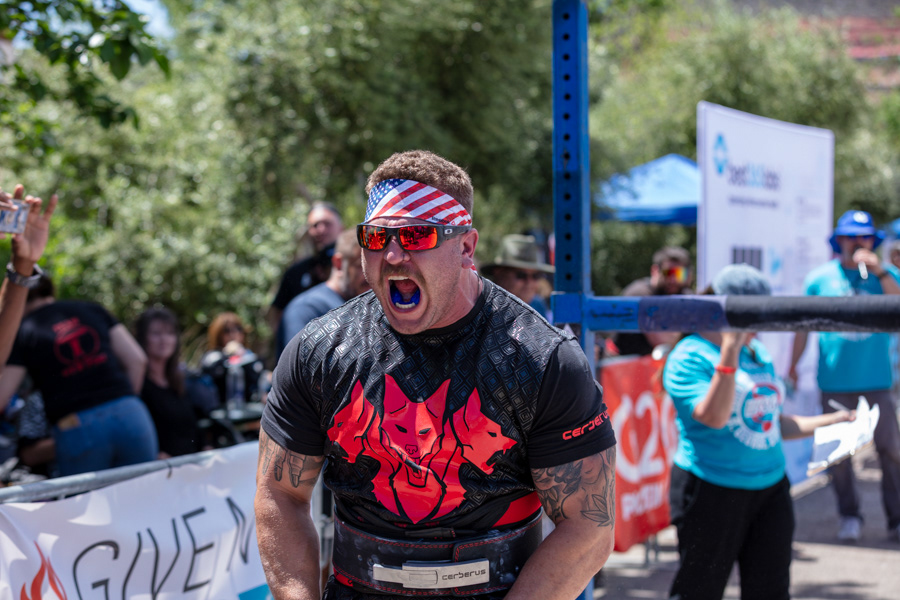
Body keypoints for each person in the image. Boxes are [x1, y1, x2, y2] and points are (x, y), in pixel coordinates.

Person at [255, 150, 617, 600]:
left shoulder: (542, 358)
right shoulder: (321, 351)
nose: (393, 254)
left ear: (466, 247)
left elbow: (588, 525)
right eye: (376, 237)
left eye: (416, 235)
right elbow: (280, 496)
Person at [664, 264, 854, 600]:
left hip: (770, 489)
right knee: (698, 592)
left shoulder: (756, 350)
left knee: (771, 592)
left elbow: (770, 424)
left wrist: (832, 422)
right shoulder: (689, 356)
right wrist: (729, 351)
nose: (761, 327)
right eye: (754, 317)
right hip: (711, 489)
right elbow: (714, 417)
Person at [788, 210, 900, 543]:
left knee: (891, 451)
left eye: (864, 237)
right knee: (838, 455)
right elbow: (802, 327)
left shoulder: (885, 275)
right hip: (835, 382)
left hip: (877, 381)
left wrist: (880, 272)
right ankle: (849, 515)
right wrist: (793, 365)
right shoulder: (819, 278)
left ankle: (896, 519)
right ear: (839, 241)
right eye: (850, 237)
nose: (857, 242)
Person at [0, 272, 157, 477]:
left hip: (78, 426)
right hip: (131, 413)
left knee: (89, 497)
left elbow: (2, 394)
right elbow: (137, 360)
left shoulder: (22, 331)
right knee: (144, 490)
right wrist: (123, 402)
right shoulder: (91, 309)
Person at [279, 228, 370, 356]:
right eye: (360, 266)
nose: (368, 275)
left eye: (372, 266)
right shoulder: (306, 309)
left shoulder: (367, 304)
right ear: (338, 263)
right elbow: (298, 363)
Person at [267, 202, 345, 346]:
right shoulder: (296, 272)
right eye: (315, 225)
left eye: (327, 223)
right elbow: (276, 312)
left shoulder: (355, 267)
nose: (320, 229)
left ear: (341, 228)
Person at [135, 307, 206, 458]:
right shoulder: (138, 384)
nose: (164, 340)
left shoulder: (180, 381)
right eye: (156, 333)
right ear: (143, 338)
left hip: (193, 464)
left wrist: (206, 446)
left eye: (169, 333)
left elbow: (192, 427)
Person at [610, 246, 693, 357]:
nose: (673, 280)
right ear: (655, 270)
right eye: (669, 273)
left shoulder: (683, 294)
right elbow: (662, 340)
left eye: (680, 274)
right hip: (623, 360)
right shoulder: (640, 294)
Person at [480, 234, 555, 321]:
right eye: (521, 275)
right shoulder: (482, 307)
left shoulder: (537, 305)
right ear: (499, 273)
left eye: (535, 276)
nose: (529, 282)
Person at [200, 311, 266, 407]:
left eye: (238, 329)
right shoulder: (213, 357)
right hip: (221, 409)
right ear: (218, 334)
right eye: (227, 330)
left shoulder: (249, 356)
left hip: (248, 409)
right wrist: (227, 354)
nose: (234, 334)